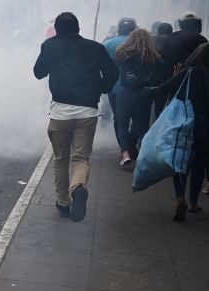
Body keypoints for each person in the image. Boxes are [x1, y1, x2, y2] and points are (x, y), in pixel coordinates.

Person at [33, 12, 118, 222]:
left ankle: (63, 202)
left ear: (58, 29)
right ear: (78, 28)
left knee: (61, 159)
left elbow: (38, 72)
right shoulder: (95, 47)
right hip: (88, 111)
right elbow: (113, 73)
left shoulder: (50, 45)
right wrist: (102, 88)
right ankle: (78, 187)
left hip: (60, 112)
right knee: (81, 158)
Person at [156, 43, 209, 221]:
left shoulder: (189, 73)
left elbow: (163, 89)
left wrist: (175, 76)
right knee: (199, 163)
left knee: (181, 160)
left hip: (187, 122)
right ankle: (194, 202)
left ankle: (180, 198)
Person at [115, 29, 161, 166]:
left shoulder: (122, 53)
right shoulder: (152, 56)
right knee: (142, 127)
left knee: (122, 125)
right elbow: (161, 73)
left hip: (125, 93)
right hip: (143, 93)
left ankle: (125, 153)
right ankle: (144, 155)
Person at [103, 18, 137, 147]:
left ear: (119, 29)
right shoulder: (139, 44)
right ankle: (132, 143)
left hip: (114, 88)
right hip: (136, 87)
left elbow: (101, 65)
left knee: (118, 118)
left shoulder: (108, 44)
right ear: (134, 29)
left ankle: (124, 148)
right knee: (137, 118)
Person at [151, 22, 174, 118]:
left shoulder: (150, 41)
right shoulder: (174, 41)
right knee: (161, 111)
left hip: (148, 82)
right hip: (166, 82)